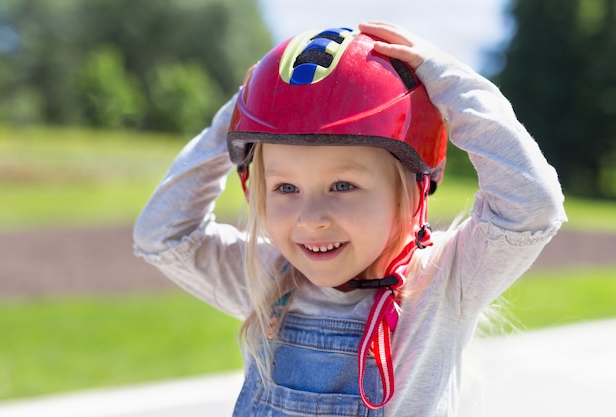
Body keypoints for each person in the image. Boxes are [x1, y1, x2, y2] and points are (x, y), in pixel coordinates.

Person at [133, 21, 566, 417]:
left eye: (343, 186)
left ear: (410, 192)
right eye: (286, 188)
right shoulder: (271, 280)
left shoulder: (440, 286)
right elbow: (162, 237)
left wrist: (450, 84)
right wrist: (232, 123)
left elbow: (531, 205)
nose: (312, 218)